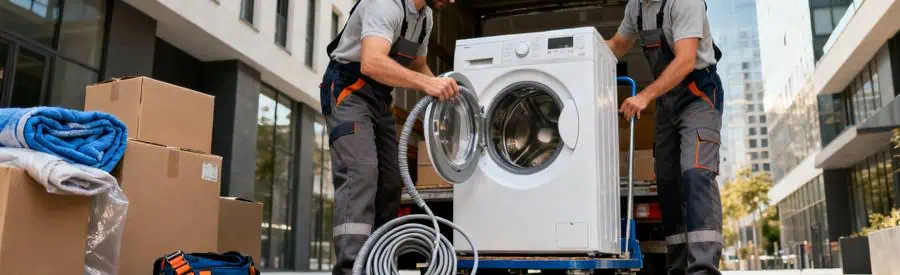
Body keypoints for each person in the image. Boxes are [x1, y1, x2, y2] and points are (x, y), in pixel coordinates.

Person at [320, 0, 457, 274]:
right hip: (350, 90)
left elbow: (418, 65)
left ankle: (379, 265)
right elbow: (371, 62)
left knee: (390, 184)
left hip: (380, 98)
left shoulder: (425, 16)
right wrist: (429, 84)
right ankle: (352, 268)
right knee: (361, 172)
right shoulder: (386, 4)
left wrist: (445, 94)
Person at [607, 0, 725, 274]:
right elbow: (617, 46)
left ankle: (703, 269)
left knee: (696, 173)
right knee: (668, 182)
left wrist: (645, 96)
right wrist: (578, 46)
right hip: (667, 100)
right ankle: (679, 268)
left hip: (699, 94)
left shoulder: (684, 2)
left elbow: (685, 60)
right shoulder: (635, 7)